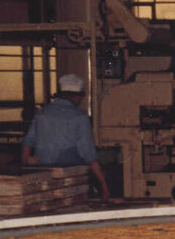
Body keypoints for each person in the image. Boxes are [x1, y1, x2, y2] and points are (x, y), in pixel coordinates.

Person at [21, 73, 109, 201]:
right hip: (70, 179)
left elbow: (28, 142)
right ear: (76, 97)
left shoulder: (42, 113)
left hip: (43, 177)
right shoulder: (79, 117)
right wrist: (104, 185)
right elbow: (89, 155)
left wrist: (26, 166)